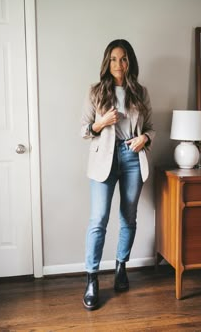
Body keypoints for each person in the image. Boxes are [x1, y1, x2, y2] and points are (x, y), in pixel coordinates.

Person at [81, 39, 155, 310]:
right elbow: (83, 130)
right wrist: (100, 123)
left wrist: (144, 138)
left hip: (132, 157)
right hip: (104, 158)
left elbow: (152, 127)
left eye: (123, 59)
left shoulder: (140, 91)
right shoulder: (96, 91)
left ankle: (121, 267)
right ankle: (91, 278)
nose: (118, 64)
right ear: (107, 62)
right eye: (113, 59)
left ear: (130, 62)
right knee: (99, 218)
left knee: (128, 217)